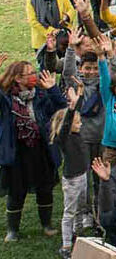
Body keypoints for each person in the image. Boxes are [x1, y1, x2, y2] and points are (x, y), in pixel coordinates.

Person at [0, 64, 65, 242]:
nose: (33, 77)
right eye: (28, 74)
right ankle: (12, 230)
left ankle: (47, 224)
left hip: (41, 149)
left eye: (33, 73)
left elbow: (61, 107)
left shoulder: (41, 95)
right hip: (17, 152)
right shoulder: (7, 98)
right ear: (17, 78)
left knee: (45, 188)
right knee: (16, 192)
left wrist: (53, 88)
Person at [51, 90, 93, 258]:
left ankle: (79, 234)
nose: (80, 124)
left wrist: (81, 96)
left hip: (82, 176)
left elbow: (76, 114)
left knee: (81, 209)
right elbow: (69, 120)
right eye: (78, 122)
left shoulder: (76, 134)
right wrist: (72, 108)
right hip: (72, 180)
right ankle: (66, 244)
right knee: (69, 212)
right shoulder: (64, 137)